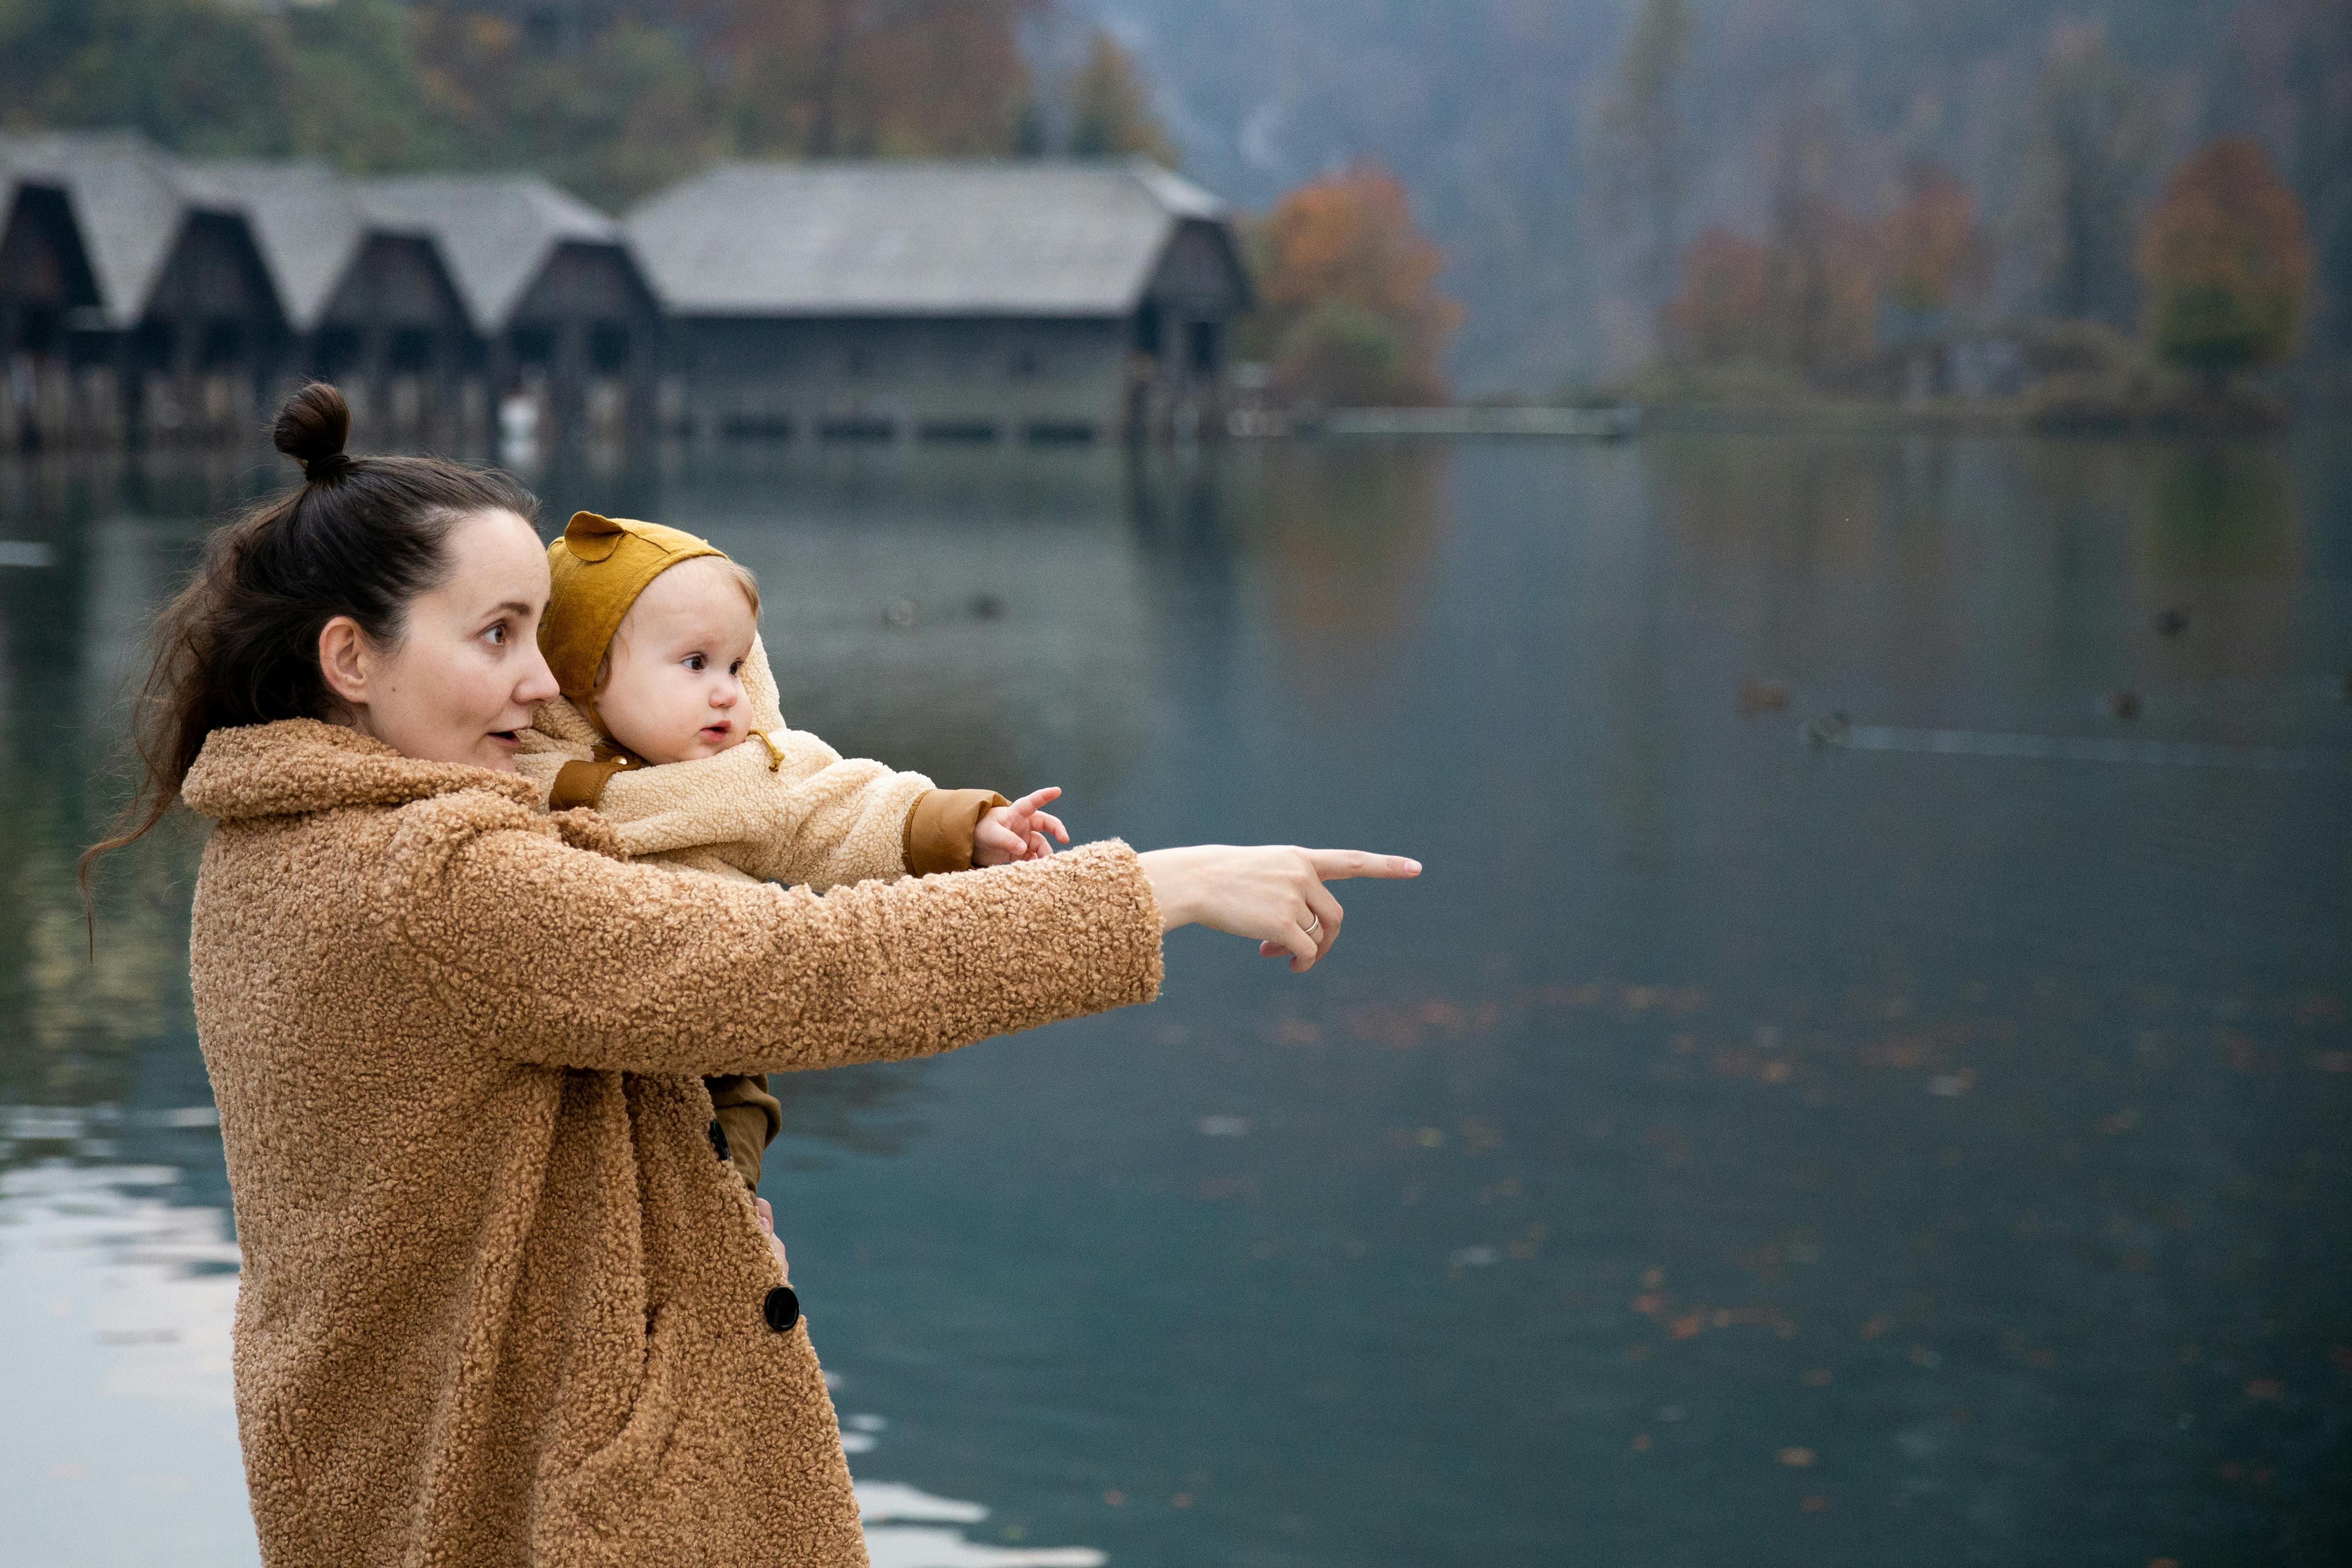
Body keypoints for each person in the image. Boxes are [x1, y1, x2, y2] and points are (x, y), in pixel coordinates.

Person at [84, 384, 1418, 1568]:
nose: (544, 684)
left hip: (411, 1484)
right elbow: (803, 967)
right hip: (563, 1510)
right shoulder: (436, 879)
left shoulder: (271, 849)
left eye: (542, 635)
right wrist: (1154, 889)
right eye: (495, 636)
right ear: (349, 659)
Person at [512, 509, 1073, 1201]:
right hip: (587, 1033)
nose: (725, 690)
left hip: (723, 1043)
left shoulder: (752, 776)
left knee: (718, 1179)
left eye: (736, 665)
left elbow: (843, 809)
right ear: (582, 668)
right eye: (693, 664)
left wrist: (966, 826)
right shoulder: (514, 766)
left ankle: (732, 1225)